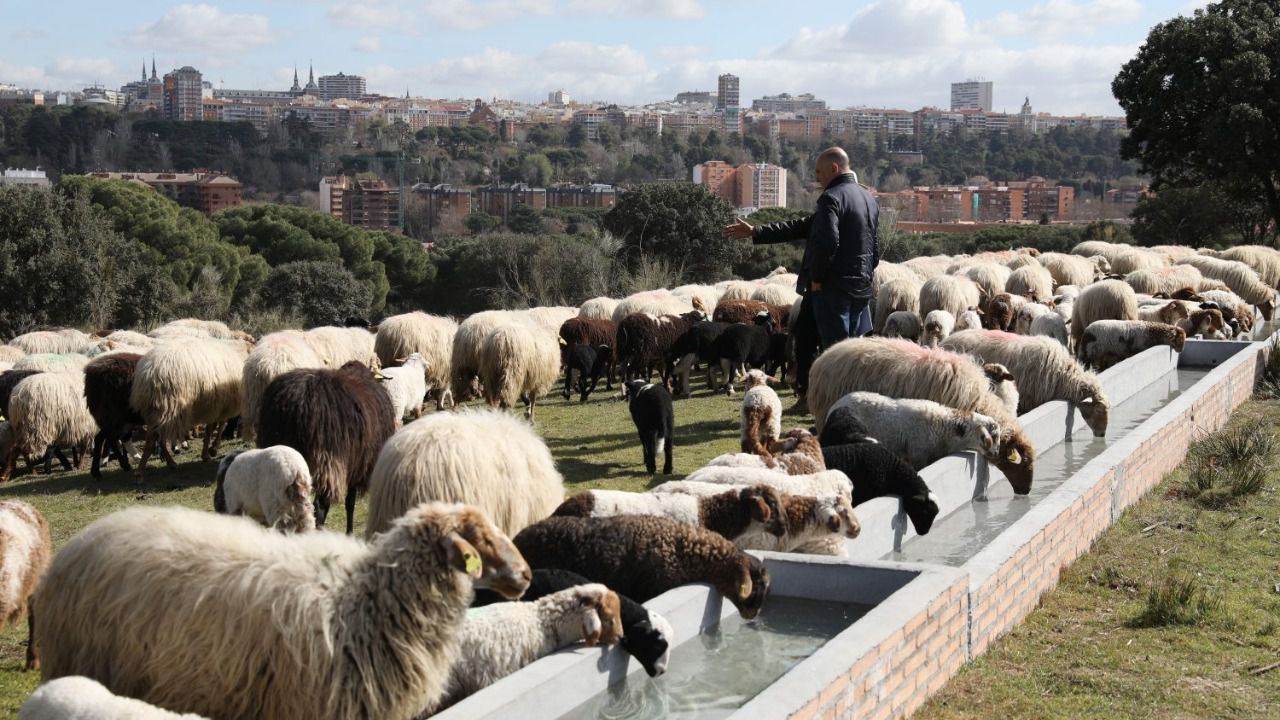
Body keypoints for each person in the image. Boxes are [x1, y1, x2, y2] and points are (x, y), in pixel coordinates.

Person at [723, 146, 880, 415]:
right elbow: (872, 247)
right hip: (859, 286)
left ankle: (839, 409)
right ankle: (813, 397)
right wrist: (757, 231)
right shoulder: (868, 198)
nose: (817, 178)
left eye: (819, 172)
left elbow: (828, 241)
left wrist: (818, 278)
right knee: (817, 339)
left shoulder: (831, 198)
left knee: (837, 352)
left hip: (831, 289)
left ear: (834, 169)